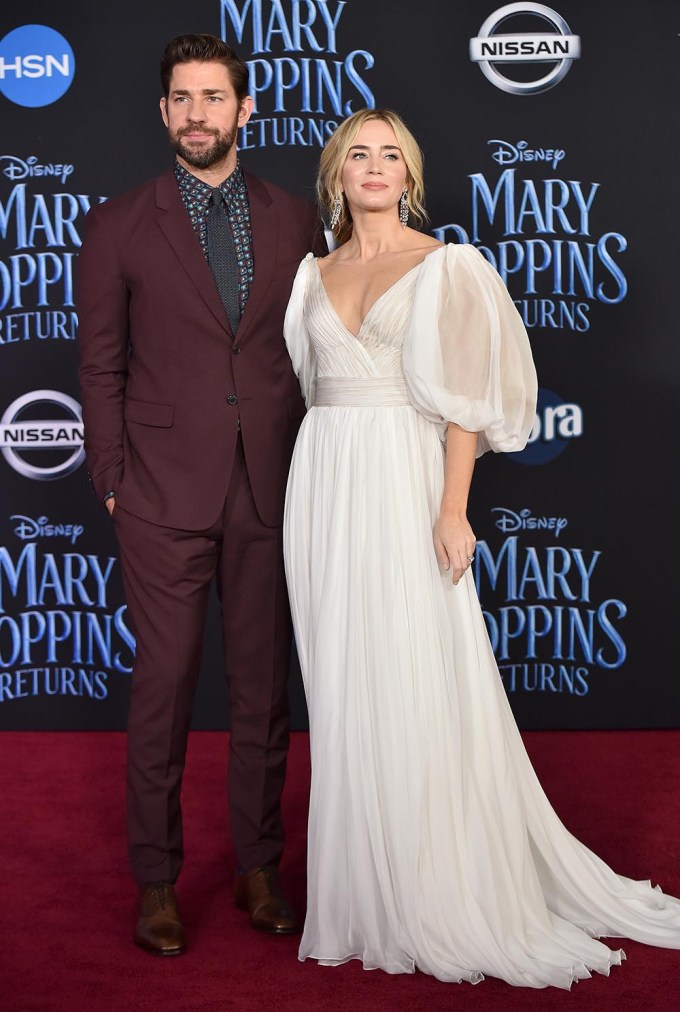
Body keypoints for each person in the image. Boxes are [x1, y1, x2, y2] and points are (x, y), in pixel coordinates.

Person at [282, 108, 680, 988]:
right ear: (337, 173)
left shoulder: (447, 265)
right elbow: (313, 389)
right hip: (322, 486)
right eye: (360, 154)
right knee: (345, 688)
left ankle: (435, 889)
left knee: (417, 676)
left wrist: (452, 508)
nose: (375, 167)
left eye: (391, 155)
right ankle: (360, 893)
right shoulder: (309, 275)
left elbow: (464, 400)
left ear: (409, 174)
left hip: (403, 482)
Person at [77, 34, 326, 956]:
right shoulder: (117, 224)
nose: (196, 115)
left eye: (213, 99)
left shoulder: (299, 220)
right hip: (158, 495)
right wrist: (110, 480)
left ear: (244, 111)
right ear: (162, 113)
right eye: (181, 99)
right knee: (165, 688)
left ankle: (260, 866)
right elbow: (98, 365)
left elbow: (313, 354)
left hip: (270, 486)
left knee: (263, 693)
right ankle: (158, 881)